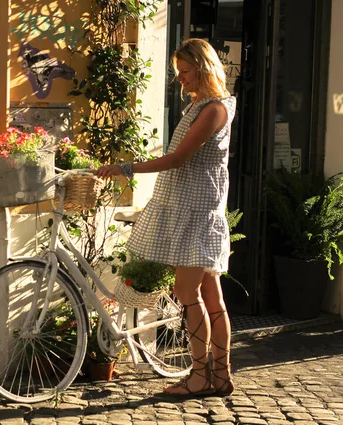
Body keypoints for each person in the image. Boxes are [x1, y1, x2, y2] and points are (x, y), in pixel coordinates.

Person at [95, 38, 236, 397]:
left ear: (203, 69)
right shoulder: (202, 106)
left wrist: (124, 168)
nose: (181, 80)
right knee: (210, 297)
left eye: (186, 72)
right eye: (178, 74)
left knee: (187, 293)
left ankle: (202, 374)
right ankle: (220, 375)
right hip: (193, 210)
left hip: (196, 214)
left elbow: (177, 160)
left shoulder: (213, 110)